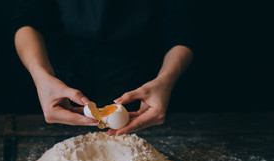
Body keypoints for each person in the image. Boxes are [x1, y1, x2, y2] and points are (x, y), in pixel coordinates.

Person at [12, 0, 194, 136]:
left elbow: (183, 26)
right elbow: (27, 17)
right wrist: (41, 76)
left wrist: (166, 79)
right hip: (64, 84)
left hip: (145, 86)